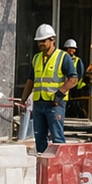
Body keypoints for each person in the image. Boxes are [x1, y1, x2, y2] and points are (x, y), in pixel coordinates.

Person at [20, 23, 77, 153]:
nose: (40, 44)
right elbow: (31, 80)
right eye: (38, 41)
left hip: (54, 104)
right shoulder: (36, 58)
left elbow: (73, 79)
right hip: (39, 104)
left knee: (57, 137)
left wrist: (60, 94)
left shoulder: (63, 57)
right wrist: (23, 99)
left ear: (52, 39)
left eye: (43, 41)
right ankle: (43, 165)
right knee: (39, 136)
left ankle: (60, 164)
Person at [62, 39, 87, 118]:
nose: (70, 50)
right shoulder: (62, 59)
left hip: (74, 86)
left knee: (74, 102)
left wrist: (75, 82)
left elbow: (80, 72)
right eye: (69, 48)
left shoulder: (77, 60)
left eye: (72, 48)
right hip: (64, 84)